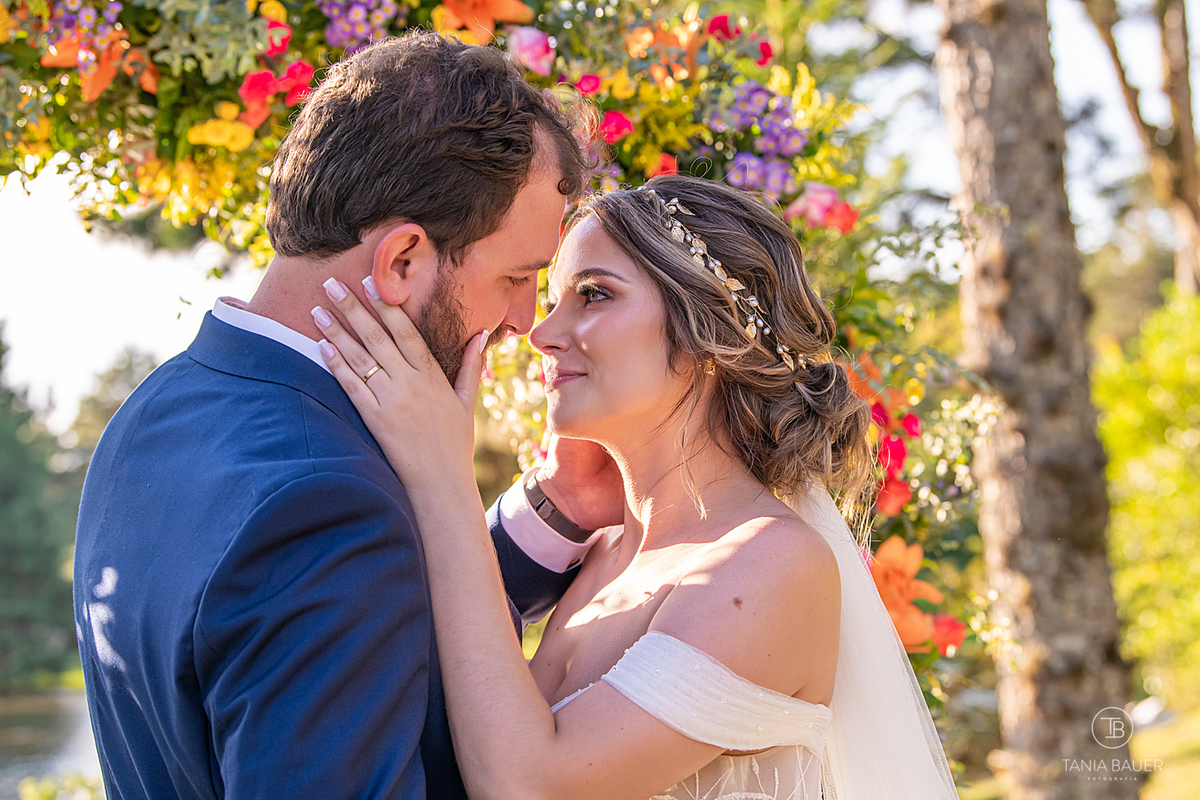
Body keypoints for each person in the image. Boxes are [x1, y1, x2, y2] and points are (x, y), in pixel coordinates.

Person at [72, 32, 611, 800]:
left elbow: (385, 626)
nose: (525, 320)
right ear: (402, 261)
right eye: (517, 277)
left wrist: (554, 511)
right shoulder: (325, 504)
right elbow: (343, 579)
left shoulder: (156, 413)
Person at [316, 175, 962, 800]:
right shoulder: (604, 556)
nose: (542, 334)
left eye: (593, 295)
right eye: (552, 301)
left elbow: (530, 786)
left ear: (715, 327)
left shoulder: (771, 562)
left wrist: (442, 478)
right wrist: (553, 505)